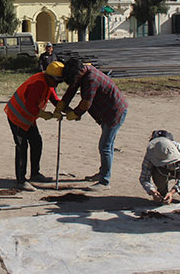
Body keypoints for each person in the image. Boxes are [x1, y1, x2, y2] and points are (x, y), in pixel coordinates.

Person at [53, 57, 128, 192]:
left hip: (114, 113)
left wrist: (75, 114)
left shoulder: (91, 79)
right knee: (106, 145)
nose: (75, 81)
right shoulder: (82, 73)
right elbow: (71, 91)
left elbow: (86, 103)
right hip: (105, 113)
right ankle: (102, 173)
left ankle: (105, 181)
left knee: (105, 146)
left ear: (79, 72)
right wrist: (61, 106)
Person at [4, 61, 65, 191]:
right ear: (49, 77)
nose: (56, 84)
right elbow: (30, 106)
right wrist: (44, 114)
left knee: (36, 142)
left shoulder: (48, 83)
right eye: (56, 81)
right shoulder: (39, 83)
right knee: (22, 146)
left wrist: (62, 108)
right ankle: (21, 180)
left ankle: (35, 174)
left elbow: (54, 98)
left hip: (28, 118)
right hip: (17, 116)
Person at [139, 130, 180, 204]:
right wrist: (152, 191)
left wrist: (172, 192)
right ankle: (162, 194)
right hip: (161, 172)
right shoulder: (150, 154)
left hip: (177, 169)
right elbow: (144, 178)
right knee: (157, 175)